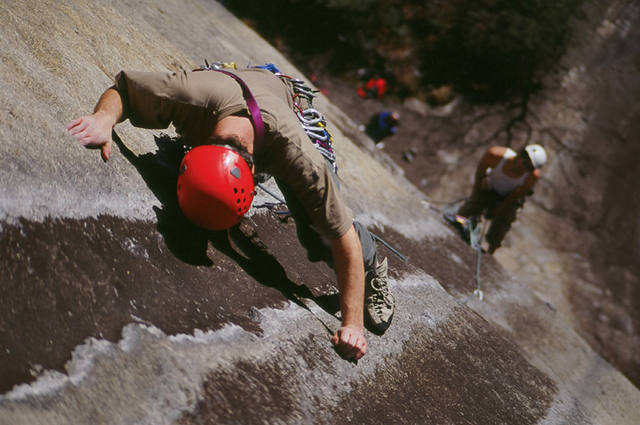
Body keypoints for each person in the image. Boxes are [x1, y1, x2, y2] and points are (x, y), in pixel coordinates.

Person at [66, 65, 395, 361]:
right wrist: (104, 119)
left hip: (290, 107)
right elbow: (124, 89)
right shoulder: (188, 97)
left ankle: (375, 266)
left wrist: (352, 325)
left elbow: (343, 238)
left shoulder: (299, 158)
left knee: (317, 233)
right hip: (233, 86)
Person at [456, 144, 547, 253]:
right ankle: (459, 221)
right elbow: (480, 172)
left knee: (505, 218)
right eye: (524, 161)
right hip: (489, 187)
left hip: (506, 197)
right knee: (470, 208)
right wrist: (479, 188)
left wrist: (497, 210)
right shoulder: (496, 155)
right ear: (520, 155)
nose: (523, 167)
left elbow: (514, 196)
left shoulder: (531, 177)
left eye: (528, 167)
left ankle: (491, 249)